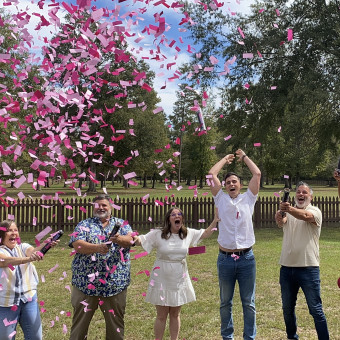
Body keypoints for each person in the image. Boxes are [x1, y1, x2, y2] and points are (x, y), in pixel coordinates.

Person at [133, 206, 220, 340]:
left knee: (175, 314)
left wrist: (215, 221)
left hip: (179, 277)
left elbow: (206, 233)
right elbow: (142, 240)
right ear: (169, 219)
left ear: (182, 219)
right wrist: (133, 238)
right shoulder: (158, 234)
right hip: (161, 276)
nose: (177, 216)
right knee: (161, 315)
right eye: (173, 214)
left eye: (179, 214)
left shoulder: (188, 233)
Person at [208, 149, 261, 340]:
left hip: (247, 259)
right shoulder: (219, 198)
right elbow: (211, 174)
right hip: (225, 259)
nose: (231, 184)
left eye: (234, 181)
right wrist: (225, 159)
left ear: (240, 185)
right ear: (225, 186)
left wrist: (244, 157)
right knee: (225, 303)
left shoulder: (249, 198)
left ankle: (249, 337)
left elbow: (257, 174)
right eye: (228, 182)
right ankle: (227, 337)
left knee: (248, 302)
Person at [69, 194, 134, 340]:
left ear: (110, 207)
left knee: (115, 328)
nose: (101, 208)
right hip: (85, 285)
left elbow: (131, 240)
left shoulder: (121, 224)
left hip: (114, 285)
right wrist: (97, 247)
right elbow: (77, 244)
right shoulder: (85, 224)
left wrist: (118, 238)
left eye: (104, 205)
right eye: (97, 205)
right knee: (79, 327)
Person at [275, 182, 329, 340]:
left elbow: (305, 217)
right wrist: (279, 216)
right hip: (286, 267)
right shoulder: (289, 212)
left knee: (316, 309)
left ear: (311, 197)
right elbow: (281, 222)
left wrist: (288, 209)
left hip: (308, 268)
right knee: (287, 309)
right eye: (298, 192)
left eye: (304, 192)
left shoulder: (315, 211)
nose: (301, 195)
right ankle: (292, 337)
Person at [0, 219, 59, 340]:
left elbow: (33, 251)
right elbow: (6, 261)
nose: (13, 233)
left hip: (29, 299)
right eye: (9, 230)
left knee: (36, 337)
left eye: (15, 230)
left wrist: (46, 244)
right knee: (5, 337)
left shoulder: (23, 247)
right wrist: (29, 259)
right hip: (6, 303)